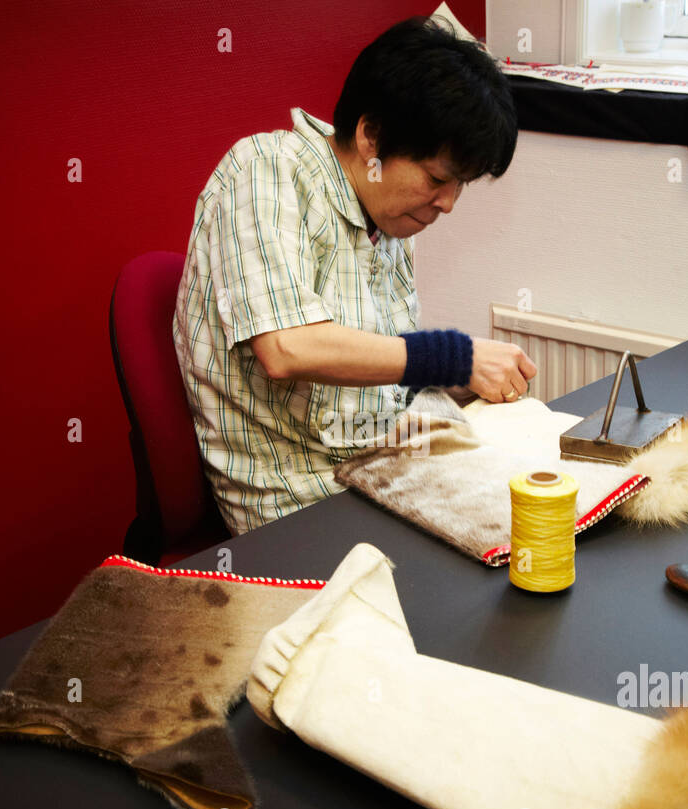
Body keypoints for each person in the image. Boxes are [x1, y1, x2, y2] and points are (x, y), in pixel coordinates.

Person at [173, 16, 536, 535]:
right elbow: (287, 349)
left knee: (545, 511)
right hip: (304, 505)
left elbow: (378, 370)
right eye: (437, 178)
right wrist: (455, 355)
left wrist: (453, 378)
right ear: (371, 137)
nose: (449, 204)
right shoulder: (265, 170)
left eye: (461, 185)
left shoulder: (385, 221)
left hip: (383, 464)